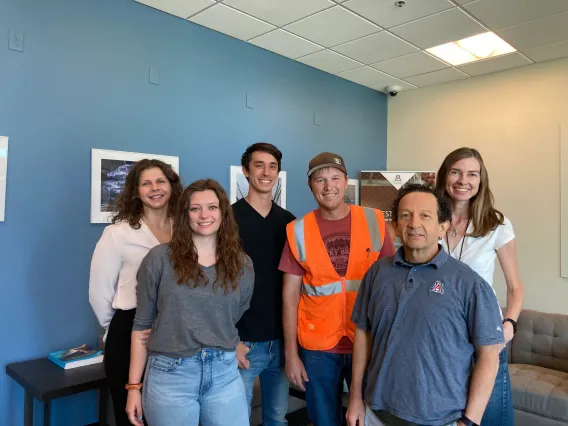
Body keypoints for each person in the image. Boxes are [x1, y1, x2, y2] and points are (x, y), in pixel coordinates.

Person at [347, 184, 504, 426]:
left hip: (441, 419)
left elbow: (489, 355)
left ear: (443, 226)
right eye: (405, 215)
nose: (414, 223)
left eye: (425, 216)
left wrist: (470, 421)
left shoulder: (469, 284)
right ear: (397, 226)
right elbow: (362, 334)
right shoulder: (378, 273)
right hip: (376, 413)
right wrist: (355, 398)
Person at [125, 179, 254, 426]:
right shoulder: (159, 259)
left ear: (223, 213)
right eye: (195, 209)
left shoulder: (242, 264)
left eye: (212, 207)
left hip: (224, 373)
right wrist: (133, 387)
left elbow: (233, 315)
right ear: (185, 214)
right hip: (170, 375)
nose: (204, 215)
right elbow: (142, 324)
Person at [279, 152, 395, 426]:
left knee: (369, 418)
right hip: (318, 346)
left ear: (346, 182)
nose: (328, 186)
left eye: (335, 178)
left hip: (366, 339)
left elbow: (391, 282)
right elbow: (289, 295)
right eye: (320, 180)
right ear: (311, 186)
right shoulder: (297, 230)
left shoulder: (375, 220)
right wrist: (291, 354)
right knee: (322, 420)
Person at [89, 159, 182, 426]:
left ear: (172, 187)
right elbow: (98, 294)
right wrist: (120, 328)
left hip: (176, 332)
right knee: (133, 417)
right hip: (130, 330)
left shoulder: (185, 230)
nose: (155, 188)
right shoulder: (117, 234)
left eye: (161, 181)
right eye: (146, 183)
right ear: (136, 191)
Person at [435, 147, 524, 426]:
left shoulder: (496, 223)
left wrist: (508, 325)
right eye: (456, 172)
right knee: (451, 414)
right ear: (444, 176)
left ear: (481, 180)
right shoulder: (430, 220)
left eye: (472, 174)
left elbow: (514, 285)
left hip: (484, 335)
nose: (464, 180)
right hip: (440, 334)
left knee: (491, 415)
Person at [233, 143, 296, 425]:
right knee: (237, 418)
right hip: (242, 341)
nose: (266, 172)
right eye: (259, 165)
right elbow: (214, 286)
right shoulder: (227, 220)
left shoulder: (289, 223)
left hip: (281, 341)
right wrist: (230, 339)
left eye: (272, 166)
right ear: (246, 171)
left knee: (276, 418)